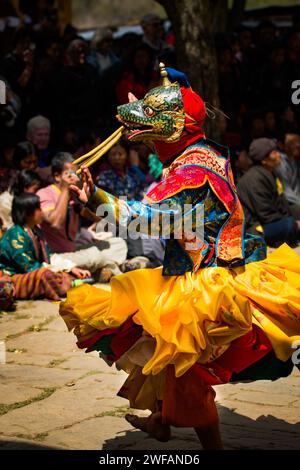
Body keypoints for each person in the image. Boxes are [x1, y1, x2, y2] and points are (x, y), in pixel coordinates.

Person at [60, 67, 300, 449]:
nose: (143, 126)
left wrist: (95, 200)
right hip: (198, 270)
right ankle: (160, 420)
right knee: (157, 342)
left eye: (153, 117)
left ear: (178, 125)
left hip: (206, 282)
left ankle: (211, 447)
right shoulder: (206, 153)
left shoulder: (190, 172)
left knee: (183, 363)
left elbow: (147, 221)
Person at [37, 152, 127, 279]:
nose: (75, 178)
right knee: (96, 255)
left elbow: (99, 219)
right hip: (55, 256)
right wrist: (65, 190)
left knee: (118, 244)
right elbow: (55, 223)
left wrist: (88, 198)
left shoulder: (74, 196)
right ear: (57, 176)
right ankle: (106, 268)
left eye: (76, 174)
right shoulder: (45, 194)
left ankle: (100, 268)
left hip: (74, 252)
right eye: (70, 174)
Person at [0, 193, 90, 301]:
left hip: (36, 272)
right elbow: (29, 267)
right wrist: (58, 272)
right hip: (14, 278)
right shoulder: (16, 234)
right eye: (38, 208)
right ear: (27, 213)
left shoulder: (36, 230)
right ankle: (68, 284)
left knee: (57, 273)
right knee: (45, 274)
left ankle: (69, 283)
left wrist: (71, 268)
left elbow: (49, 256)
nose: (42, 212)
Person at [238, 137, 300, 246]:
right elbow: (266, 214)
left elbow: (281, 203)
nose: (279, 155)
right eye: (274, 153)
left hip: (271, 220)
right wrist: (293, 223)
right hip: (256, 228)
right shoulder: (254, 178)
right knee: (290, 225)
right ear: (264, 160)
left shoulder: (269, 173)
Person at [275, 133, 300, 219]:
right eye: (293, 143)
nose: (298, 145)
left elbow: (296, 187)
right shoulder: (280, 163)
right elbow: (287, 192)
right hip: (287, 203)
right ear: (283, 145)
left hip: (295, 200)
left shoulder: (294, 161)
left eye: (298, 141)